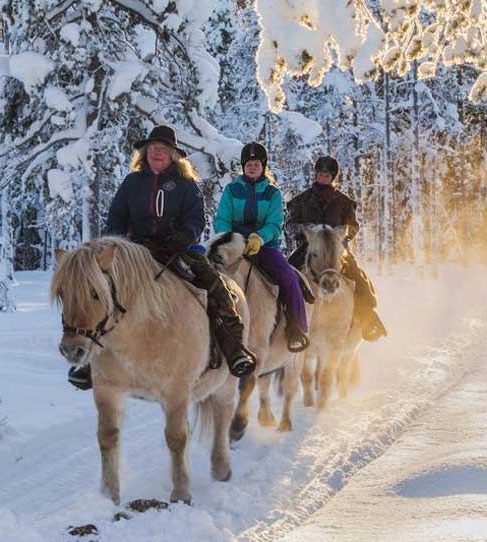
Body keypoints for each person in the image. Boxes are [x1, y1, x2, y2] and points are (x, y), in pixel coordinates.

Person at [67, 125, 257, 390]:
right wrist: (114, 245)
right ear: (145, 153)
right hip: (135, 253)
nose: (158, 152)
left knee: (215, 287)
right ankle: (91, 362)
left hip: (177, 249)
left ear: (173, 155)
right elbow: (116, 218)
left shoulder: (186, 184)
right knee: (102, 292)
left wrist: (185, 235)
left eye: (164, 149)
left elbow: (196, 218)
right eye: (153, 148)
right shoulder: (132, 183)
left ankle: (234, 349)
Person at [214, 142, 311, 352]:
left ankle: (297, 328)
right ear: (242, 166)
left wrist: (260, 238)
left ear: (263, 165)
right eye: (248, 163)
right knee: (209, 272)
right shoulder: (231, 190)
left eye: (256, 163)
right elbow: (222, 219)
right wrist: (232, 238)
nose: (252, 167)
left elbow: (275, 224)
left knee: (288, 276)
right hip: (234, 244)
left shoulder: (273, 193)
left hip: (265, 246)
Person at [285, 155, 387, 342]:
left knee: (359, 278)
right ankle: (286, 323)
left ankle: (368, 319)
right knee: (287, 275)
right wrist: (308, 231)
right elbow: (289, 226)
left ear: (333, 177)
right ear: (315, 175)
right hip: (308, 249)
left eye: (327, 175)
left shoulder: (344, 202)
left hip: (337, 250)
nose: (323, 177)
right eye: (320, 174)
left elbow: (353, 226)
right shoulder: (300, 200)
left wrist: (338, 235)